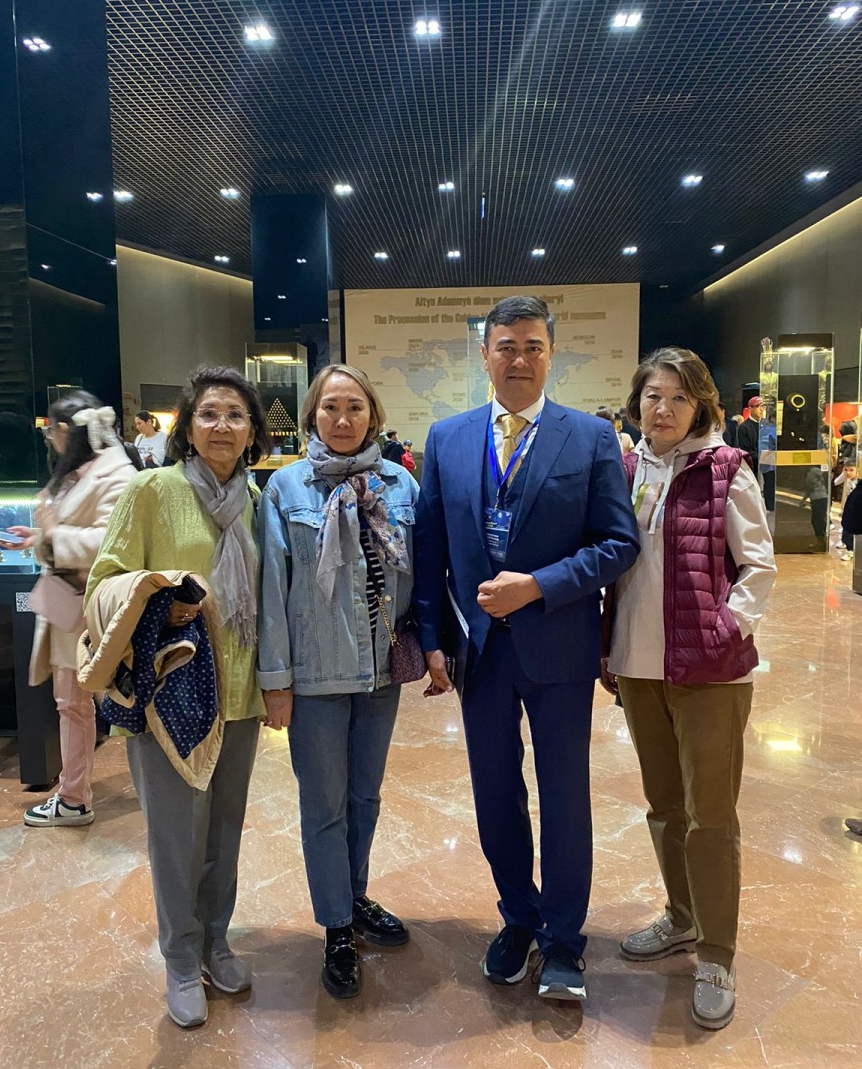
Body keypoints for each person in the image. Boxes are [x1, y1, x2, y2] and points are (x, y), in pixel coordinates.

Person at [414, 296, 639, 1004]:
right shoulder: (447, 439)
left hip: (560, 647)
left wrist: (538, 585)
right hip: (480, 653)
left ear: (551, 354)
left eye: (533, 346)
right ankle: (518, 917)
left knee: (565, 795)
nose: (519, 359)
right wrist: (432, 640)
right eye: (506, 346)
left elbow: (618, 544)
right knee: (495, 794)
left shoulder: (591, 438)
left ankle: (565, 939)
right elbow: (429, 550)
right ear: (484, 354)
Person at [87, 365, 270, 1029]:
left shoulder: (256, 500)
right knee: (176, 836)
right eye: (209, 414)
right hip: (170, 694)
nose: (222, 426)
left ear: (252, 432)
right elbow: (105, 581)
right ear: (187, 428)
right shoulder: (152, 490)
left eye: (235, 416)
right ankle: (180, 956)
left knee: (224, 829)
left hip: (239, 694)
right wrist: (158, 604)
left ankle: (217, 940)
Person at [601, 347, 776, 1031]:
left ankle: (717, 954)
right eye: (653, 396)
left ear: (700, 404)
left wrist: (725, 629)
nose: (663, 409)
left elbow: (758, 567)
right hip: (638, 666)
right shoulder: (626, 469)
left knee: (711, 815)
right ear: (637, 403)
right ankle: (680, 917)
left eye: (678, 397)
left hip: (710, 674)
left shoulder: (725, 468)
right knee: (665, 806)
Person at [258, 365, 418, 1000]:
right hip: (316, 673)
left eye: (355, 407)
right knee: (323, 805)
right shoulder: (286, 488)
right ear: (312, 416)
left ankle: (354, 895)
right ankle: (336, 928)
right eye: (330, 407)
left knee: (365, 798)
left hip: (380, 672)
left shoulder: (399, 484)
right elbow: (273, 591)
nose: (343, 419)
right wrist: (276, 680)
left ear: (373, 415)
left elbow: (418, 576)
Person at [0, 393, 137, 827]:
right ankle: (73, 793)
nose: (50, 442)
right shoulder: (88, 469)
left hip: (94, 609)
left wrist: (52, 534)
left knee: (101, 702)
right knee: (73, 703)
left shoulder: (117, 472)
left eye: (50, 434)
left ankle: (76, 797)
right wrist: (37, 538)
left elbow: (109, 542)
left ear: (62, 431)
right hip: (70, 607)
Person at [737, 396, 764, 475]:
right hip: (752, 468)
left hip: (767, 467)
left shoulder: (766, 425)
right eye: (758, 406)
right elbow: (746, 451)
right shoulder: (744, 427)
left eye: (763, 406)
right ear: (750, 408)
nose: (761, 409)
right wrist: (763, 457)